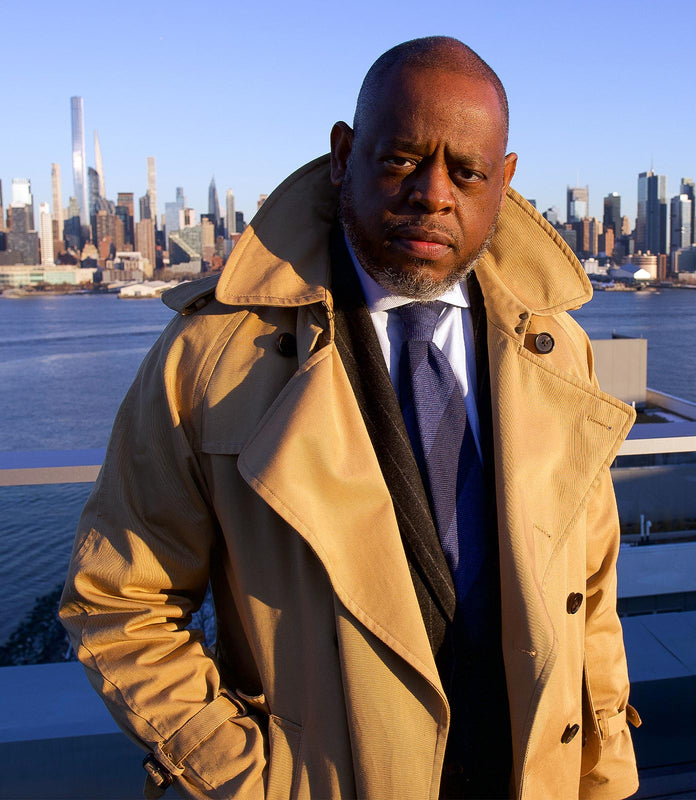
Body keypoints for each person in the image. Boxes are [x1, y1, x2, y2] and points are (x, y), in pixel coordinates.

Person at [60, 36, 640, 800]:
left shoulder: (556, 349)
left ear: (503, 183)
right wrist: (250, 780)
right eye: (402, 158)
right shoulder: (210, 358)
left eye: (466, 172)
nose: (434, 194)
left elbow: (589, 595)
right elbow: (119, 599)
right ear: (344, 155)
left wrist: (604, 777)